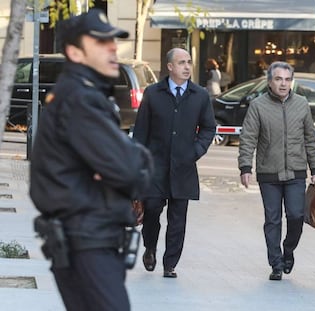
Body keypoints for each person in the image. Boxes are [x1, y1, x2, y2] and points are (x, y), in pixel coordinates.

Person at [30, 9, 153, 311]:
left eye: (112, 41)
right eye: (100, 42)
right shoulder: (80, 99)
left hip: (90, 238)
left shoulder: (86, 95)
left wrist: (124, 161)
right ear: (75, 51)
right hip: (87, 241)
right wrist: (133, 161)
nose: (112, 47)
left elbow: (127, 165)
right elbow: (132, 170)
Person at [132, 48, 216, 278]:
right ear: (170, 66)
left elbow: (209, 127)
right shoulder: (153, 93)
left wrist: (196, 150)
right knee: (151, 212)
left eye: (189, 62)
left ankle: (170, 264)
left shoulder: (199, 95)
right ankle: (150, 247)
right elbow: (140, 133)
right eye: (182, 63)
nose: (187, 67)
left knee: (178, 220)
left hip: (184, 167)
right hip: (155, 167)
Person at [238, 61, 315, 281]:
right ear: (269, 81)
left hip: (296, 172)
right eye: (278, 79)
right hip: (269, 173)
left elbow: (310, 139)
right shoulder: (258, 106)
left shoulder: (302, 104)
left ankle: (288, 249)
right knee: (272, 219)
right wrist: (245, 166)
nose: (283, 83)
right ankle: (276, 262)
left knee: (296, 216)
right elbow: (248, 138)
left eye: (287, 79)